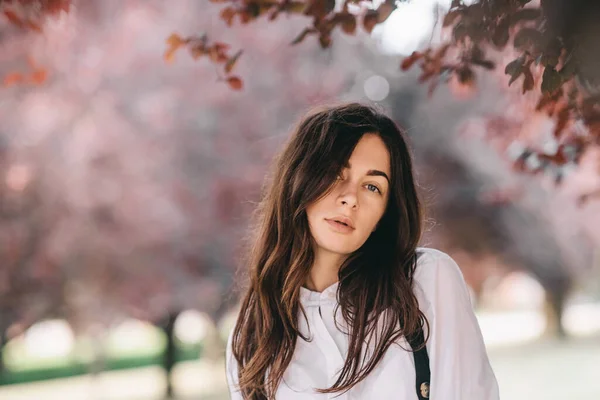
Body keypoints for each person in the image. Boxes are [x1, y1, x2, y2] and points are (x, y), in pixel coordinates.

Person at [225, 103, 500, 399]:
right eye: (335, 175)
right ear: (299, 180)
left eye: (372, 187)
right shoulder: (254, 336)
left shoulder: (425, 282)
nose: (350, 199)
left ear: (385, 211)